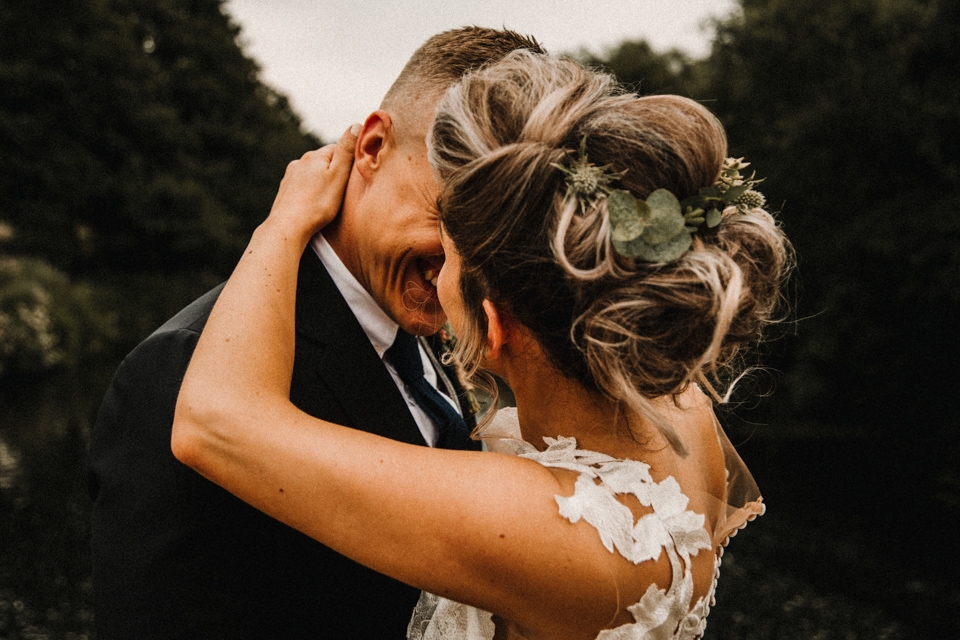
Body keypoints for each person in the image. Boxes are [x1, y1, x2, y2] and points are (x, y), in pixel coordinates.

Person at [172, 51, 792, 640]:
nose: (436, 271)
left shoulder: (544, 526)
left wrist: (283, 221)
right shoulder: (679, 405)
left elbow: (215, 422)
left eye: (449, 259)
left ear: (494, 327)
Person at [87, 27, 545, 639]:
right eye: (459, 211)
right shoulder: (185, 365)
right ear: (375, 145)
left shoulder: (423, 325)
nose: (478, 257)